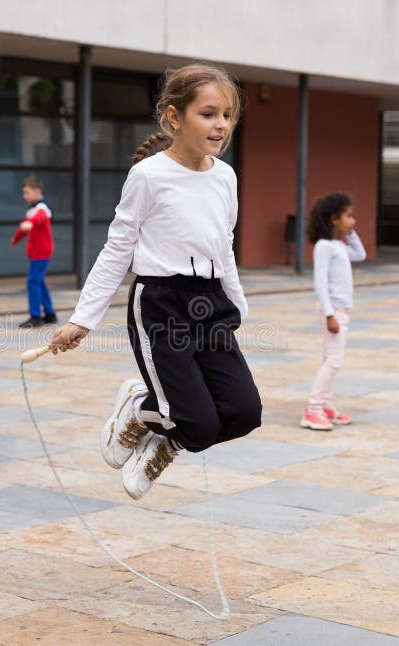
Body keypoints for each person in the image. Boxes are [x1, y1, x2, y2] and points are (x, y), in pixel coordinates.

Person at [49, 64, 262, 500]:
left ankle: (164, 433)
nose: (221, 124)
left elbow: (224, 246)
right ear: (174, 117)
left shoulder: (225, 177)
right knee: (199, 422)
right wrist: (82, 320)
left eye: (227, 114)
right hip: (161, 304)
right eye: (208, 113)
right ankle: (139, 409)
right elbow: (116, 249)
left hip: (211, 303)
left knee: (243, 413)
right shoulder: (148, 176)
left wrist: (237, 305)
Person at [300, 193, 366, 431]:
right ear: (333, 219)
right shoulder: (324, 247)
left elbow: (360, 254)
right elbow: (320, 283)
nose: (353, 220)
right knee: (334, 361)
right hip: (333, 313)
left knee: (331, 358)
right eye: (348, 216)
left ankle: (325, 405)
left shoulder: (338, 245)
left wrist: (349, 232)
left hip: (340, 311)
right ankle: (313, 410)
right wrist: (329, 315)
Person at [11, 175, 56, 328]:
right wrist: (16, 239)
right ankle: (50, 314)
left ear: (37, 191)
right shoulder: (31, 209)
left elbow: (40, 218)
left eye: (27, 192)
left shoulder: (42, 207)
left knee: (32, 281)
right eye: (23, 193)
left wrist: (30, 223)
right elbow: (23, 227)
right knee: (39, 281)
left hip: (42, 252)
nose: (25, 196)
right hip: (35, 253)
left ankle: (35, 316)